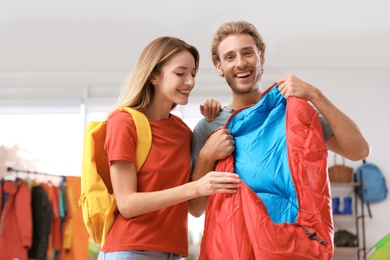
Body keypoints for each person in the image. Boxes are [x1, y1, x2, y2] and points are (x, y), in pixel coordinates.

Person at [190, 20, 370, 218]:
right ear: (219, 67)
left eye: (248, 52)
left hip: (291, 239)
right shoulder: (209, 126)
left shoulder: (293, 114)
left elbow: (358, 150)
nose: (240, 63)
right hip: (236, 244)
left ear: (262, 56)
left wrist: (316, 96)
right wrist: (207, 157)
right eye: (230, 57)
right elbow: (196, 209)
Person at [97, 36, 240, 260]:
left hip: (174, 253)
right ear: (153, 75)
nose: (190, 82)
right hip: (130, 250)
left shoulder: (183, 132)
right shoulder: (123, 122)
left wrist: (216, 117)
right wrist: (196, 187)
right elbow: (127, 204)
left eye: (193, 73)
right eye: (180, 73)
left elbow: (194, 208)